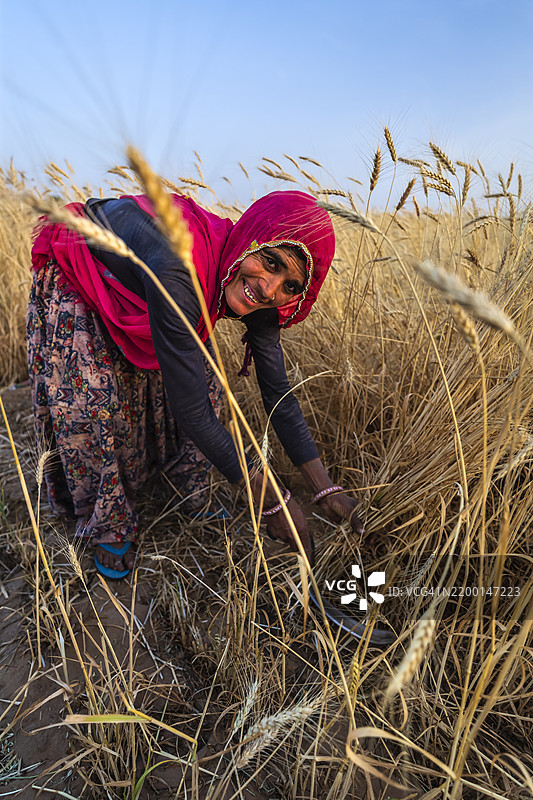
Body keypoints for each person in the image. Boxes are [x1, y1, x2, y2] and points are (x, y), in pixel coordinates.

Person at [27, 189, 364, 578]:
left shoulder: (255, 290)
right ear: (251, 237)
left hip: (155, 290)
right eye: (270, 262)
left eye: (291, 285)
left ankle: (185, 486)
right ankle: (108, 520)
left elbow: (278, 393)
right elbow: (192, 414)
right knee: (91, 400)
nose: (270, 289)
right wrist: (270, 500)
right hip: (86, 271)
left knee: (206, 383)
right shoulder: (181, 270)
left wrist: (324, 489)